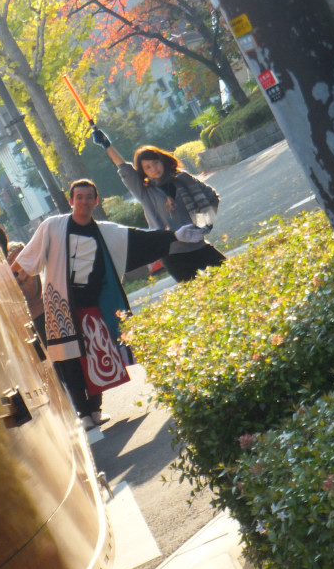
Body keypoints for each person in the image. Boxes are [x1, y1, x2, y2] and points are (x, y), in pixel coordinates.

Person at [13, 179, 205, 431]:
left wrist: (174, 236)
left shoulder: (105, 231)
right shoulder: (52, 226)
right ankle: (83, 413)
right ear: (70, 201)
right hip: (61, 308)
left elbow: (138, 239)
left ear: (96, 201)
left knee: (96, 354)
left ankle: (95, 409)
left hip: (94, 304)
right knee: (70, 361)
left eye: (88, 197)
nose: (83, 201)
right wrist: (7, 277)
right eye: (78, 197)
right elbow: (25, 261)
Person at [92, 129, 226, 282]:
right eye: (148, 167)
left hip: (199, 245)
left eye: (155, 163)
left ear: (162, 161)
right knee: (194, 289)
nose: (154, 169)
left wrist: (205, 224)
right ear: (143, 171)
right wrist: (107, 145)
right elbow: (124, 168)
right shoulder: (144, 191)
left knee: (228, 273)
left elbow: (212, 197)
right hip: (171, 253)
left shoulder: (183, 179)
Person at [8, 241, 46, 347]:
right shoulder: (16, 334)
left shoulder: (63, 301)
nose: (21, 275)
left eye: (24, 265)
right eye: (14, 273)